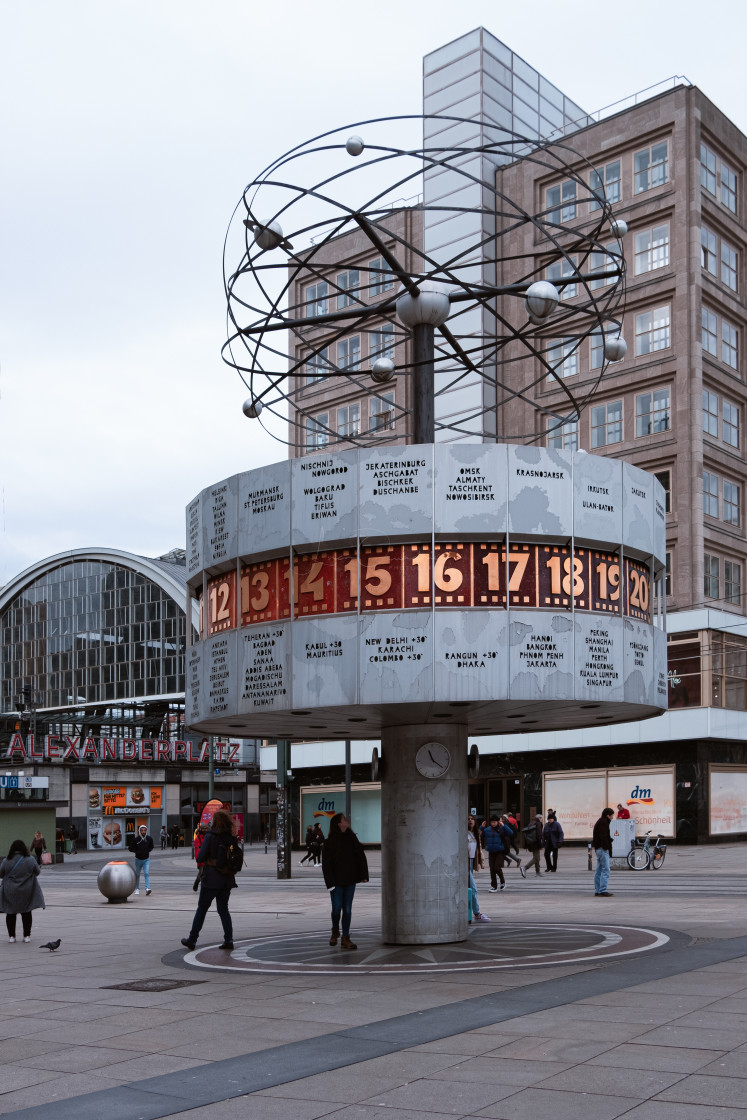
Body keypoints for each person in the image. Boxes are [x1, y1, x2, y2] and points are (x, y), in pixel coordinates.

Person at [182, 809, 237, 950]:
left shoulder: (210, 836)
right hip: (227, 879)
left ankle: (192, 940)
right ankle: (229, 939)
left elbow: (199, 857)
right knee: (223, 909)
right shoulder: (231, 837)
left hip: (211, 879)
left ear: (215, 821)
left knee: (202, 908)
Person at [321, 812, 368, 950]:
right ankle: (335, 930)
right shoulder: (329, 842)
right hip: (336, 882)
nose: (347, 821)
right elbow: (326, 865)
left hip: (350, 880)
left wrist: (363, 875)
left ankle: (345, 937)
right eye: (344, 819)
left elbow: (361, 857)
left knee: (347, 909)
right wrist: (330, 884)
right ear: (338, 824)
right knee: (336, 909)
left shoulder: (352, 838)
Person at [0, 839, 45, 943]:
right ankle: (27, 936)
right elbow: (37, 872)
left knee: (10, 913)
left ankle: (12, 937)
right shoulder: (30, 859)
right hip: (27, 890)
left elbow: (1, 874)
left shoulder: (6, 860)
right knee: (26, 912)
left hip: (10, 890)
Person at [467, 815, 489, 923]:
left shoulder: (475, 834)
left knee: (468, 889)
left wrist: (482, 862)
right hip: (464, 864)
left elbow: (479, 849)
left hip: (471, 863)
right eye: (468, 819)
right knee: (473, 889)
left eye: (472, 819)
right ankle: (477, 913)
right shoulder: (463, 833)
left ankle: (469, 914)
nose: (470, 821)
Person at [482, 813, 513, 891]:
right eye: (492, 822)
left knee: (497, 867)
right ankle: (494, 886)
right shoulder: (487, 829)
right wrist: (481, 827)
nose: (493, 823)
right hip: (491, 851)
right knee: (492, 869)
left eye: (495, 822)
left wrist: (503, 825)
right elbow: (480, 835)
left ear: (498, 822)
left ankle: (502, 881)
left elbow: (511, 833)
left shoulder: (501, 828)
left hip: (500, 851)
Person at [593, 807, 615, 896]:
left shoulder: (601, 821)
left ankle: (597, 890)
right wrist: (607, 846)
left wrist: (609, 840)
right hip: (602, 849)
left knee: (599, 870)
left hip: (599, 849)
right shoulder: (603, 822)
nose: (612, 817)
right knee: (606, 869)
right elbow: (603, 836)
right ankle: (603, 890)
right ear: (607, 815)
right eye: (612, 815)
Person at [128, 824, 154, 895]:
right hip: (138, 859)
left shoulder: (149, 838)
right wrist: (136, 851)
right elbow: (130, 848)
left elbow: (151, 846)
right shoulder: (136, 839)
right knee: (137, 874)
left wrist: (147, 851)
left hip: (146, 859)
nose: (143, 832)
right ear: (139, 831)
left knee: (146, 873)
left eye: (144, 830)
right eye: (142, 830)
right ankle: (137, 889)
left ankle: (147, 888)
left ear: (146, 831)